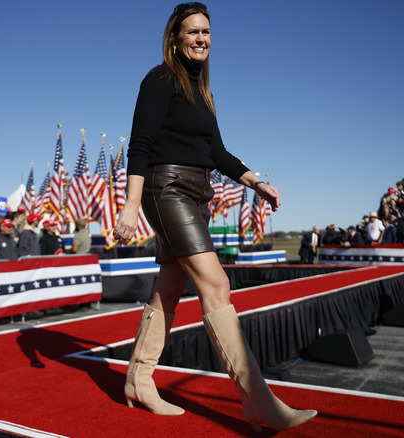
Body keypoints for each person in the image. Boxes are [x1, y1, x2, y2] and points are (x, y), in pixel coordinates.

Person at [112, 3, 315, 431]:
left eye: (206, 31)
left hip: (196, 192)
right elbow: (140, 143)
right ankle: (257, 401)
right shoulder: (160, 78)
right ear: (175, 38)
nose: (201, 38)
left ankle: (138, 379)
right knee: (216, 282)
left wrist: (256, 183)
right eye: (192, 31)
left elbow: (216, 153)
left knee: (171, 284)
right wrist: (130, 204)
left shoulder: (201, 93)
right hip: (164, 188)